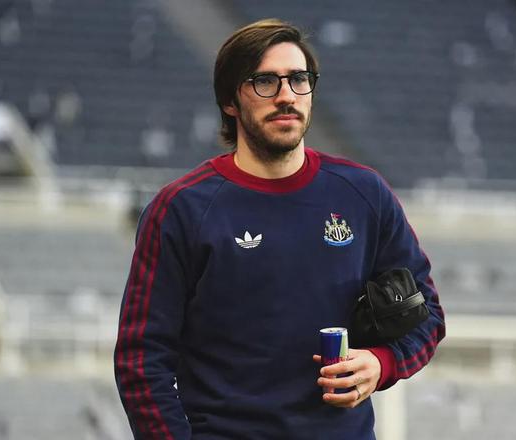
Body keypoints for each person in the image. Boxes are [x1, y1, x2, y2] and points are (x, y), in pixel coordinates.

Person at [114, 18, 445, 440]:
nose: (286, 95)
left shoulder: (364, 194)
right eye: (265, 81)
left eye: (299, 80)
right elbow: (140, 360)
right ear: (230, 100)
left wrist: (383, 362)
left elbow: (426, 313)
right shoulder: (181, 209)